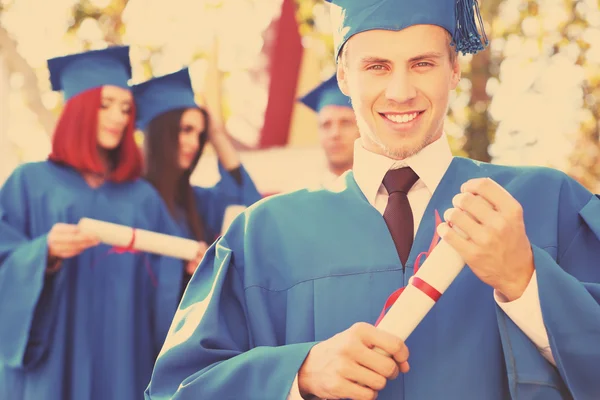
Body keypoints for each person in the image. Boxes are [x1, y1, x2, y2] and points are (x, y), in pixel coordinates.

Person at [145, 1, 600, 399]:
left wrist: (528, 284)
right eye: (376, 66)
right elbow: (178, 390)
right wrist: (298, 375)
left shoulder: (545, 204)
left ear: (455, 69)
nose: (401, 91)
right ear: (343, 74)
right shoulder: (264, 235)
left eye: (422, 63)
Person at [0, 47, 186, 400]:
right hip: (52, 362)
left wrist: (190, 267)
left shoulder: (142, 198)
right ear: (78, 110)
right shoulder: (29, 182)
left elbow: (170, 280)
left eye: (126, 108)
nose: (119, 116)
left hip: (123, 357)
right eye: (106, 104)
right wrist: (43, 253)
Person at [133, 67, 261, 277]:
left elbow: (246, 206)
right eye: (186, 130)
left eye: (201, 134)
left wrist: (217, 135)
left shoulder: (195, 202)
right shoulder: (132, 201)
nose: (194, 143)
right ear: (160, 131)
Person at [299, 74, 359, 185]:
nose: (335, 134)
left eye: (346, 123)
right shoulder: (302, 191)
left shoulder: (384, 192)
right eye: (326, 125)